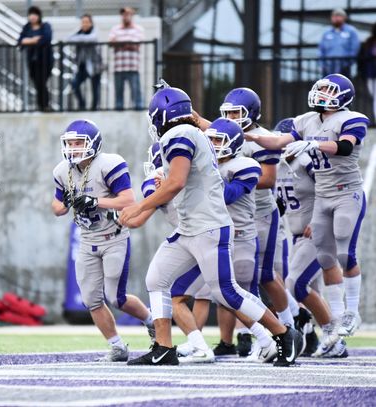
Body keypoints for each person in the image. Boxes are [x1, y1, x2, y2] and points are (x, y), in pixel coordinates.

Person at [119, 87, 302, 367]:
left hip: (208, 227)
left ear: (160, 115)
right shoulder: (190, 134)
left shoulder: (178, 135)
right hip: (190, 227)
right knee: (156, 279)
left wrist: (139, 206)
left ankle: (283, 333)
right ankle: (164, 348)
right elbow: (180, 181)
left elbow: (177, 182)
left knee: (227, 291)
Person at [245, 73, 369, 339]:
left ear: (343, 95)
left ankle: (352, 311)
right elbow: (278, 142)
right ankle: (335, 318)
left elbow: (346, 147)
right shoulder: (306, 121)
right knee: (326, 258)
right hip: (324, 197)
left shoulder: (352, 119)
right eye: (321, 88)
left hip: (347, 192)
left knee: (346, 254)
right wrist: (252, 137)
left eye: (328, 89)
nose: (322, 93)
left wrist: (312, 143)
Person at [52, 119, 155, 362]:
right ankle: (117, 347)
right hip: (87, 240)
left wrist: (95, 201)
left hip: (113, 237)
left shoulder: (109, 164)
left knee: (115, 297)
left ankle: (152, 321)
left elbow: (128, 200)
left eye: (79, 143)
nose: (74, 148)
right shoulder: (61, 171)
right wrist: (66, 202)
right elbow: (56, 207)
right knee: (90, 298)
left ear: (93, 143)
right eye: (70, 143)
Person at [219, 88, 299, 357]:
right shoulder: (226, 136)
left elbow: (267, 179)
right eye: (227, 113)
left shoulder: (263, 139)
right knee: (241, 280)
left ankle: (289, 324)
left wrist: (235, 180)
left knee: (265, 276)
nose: (231, 118)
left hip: (261, 214)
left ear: (251, 114)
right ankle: (256, 335)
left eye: (236, 113)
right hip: (239, 216)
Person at [126, 142, 215, 364]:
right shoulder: (198, 174)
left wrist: (122, 216)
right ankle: (195, 345)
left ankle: (273, 337)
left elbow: (140, 217)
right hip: (201, 237)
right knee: (202, 294)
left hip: (202, 237)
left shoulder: (162, 178)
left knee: (227, 294)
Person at [275, 118, 347, 358]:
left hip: (317, 233)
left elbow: (331, 187)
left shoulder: (307, 161)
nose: (282, 146)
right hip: (296, 236)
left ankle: (333, 336)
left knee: (295, 284)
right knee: (305, 287)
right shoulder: (276, 166)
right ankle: (319, 335)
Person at [18, 6, 54, 112]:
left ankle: (45, 105)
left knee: (42, 82)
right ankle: (41, 105)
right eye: (31, 14)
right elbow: (20, 41)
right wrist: (34, 40)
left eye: (35, 14)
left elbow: (46, 39)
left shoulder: (45, 26)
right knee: (37, 83)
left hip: (45, 61)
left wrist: (28, 40)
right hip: (32, 61)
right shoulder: (27, 27)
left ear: (39, 16)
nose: (33, 17)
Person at [109, 7, 144, 110]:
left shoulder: (138, 29)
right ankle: (119, 110)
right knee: (118, 93)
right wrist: (128, 43)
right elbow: (111, 42)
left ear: (132, 15)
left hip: (133, 66)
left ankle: (138, 109)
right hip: (118, 66)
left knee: (136, 92)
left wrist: (119, 43)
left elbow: (136, 45)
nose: (126, 16)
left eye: (128, 14)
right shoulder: (115, 28)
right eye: (124, 14)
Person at [68, 14, 103, 111]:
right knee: (74, 84)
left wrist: (79, 38)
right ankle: (82, 104)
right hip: (82, 66)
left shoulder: (94, 31)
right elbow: (69, 38)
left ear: (91, 23)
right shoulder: (79, 32)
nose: (85, 24)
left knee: (95, 89)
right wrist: (80, 33)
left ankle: (94, 108)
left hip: (95, 66)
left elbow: (92, 38)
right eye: (83, 22)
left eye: (87, 22)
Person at [319, 8, 360, 77]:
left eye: (339, 16)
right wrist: (322, 64)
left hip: (345, 67)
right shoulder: (326, 33)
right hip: (328, 67)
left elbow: (355, 48)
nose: (336, 18)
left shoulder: (351, 31)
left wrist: (349, 63)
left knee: (343, 86)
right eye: (334, 16)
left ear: (344, 18)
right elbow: (321, 49)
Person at [358, 23, 376, 122]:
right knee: (375, 97)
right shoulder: (368, 43)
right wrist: (362, 73)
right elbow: (361, 59)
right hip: (371, 74)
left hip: (371, 74)